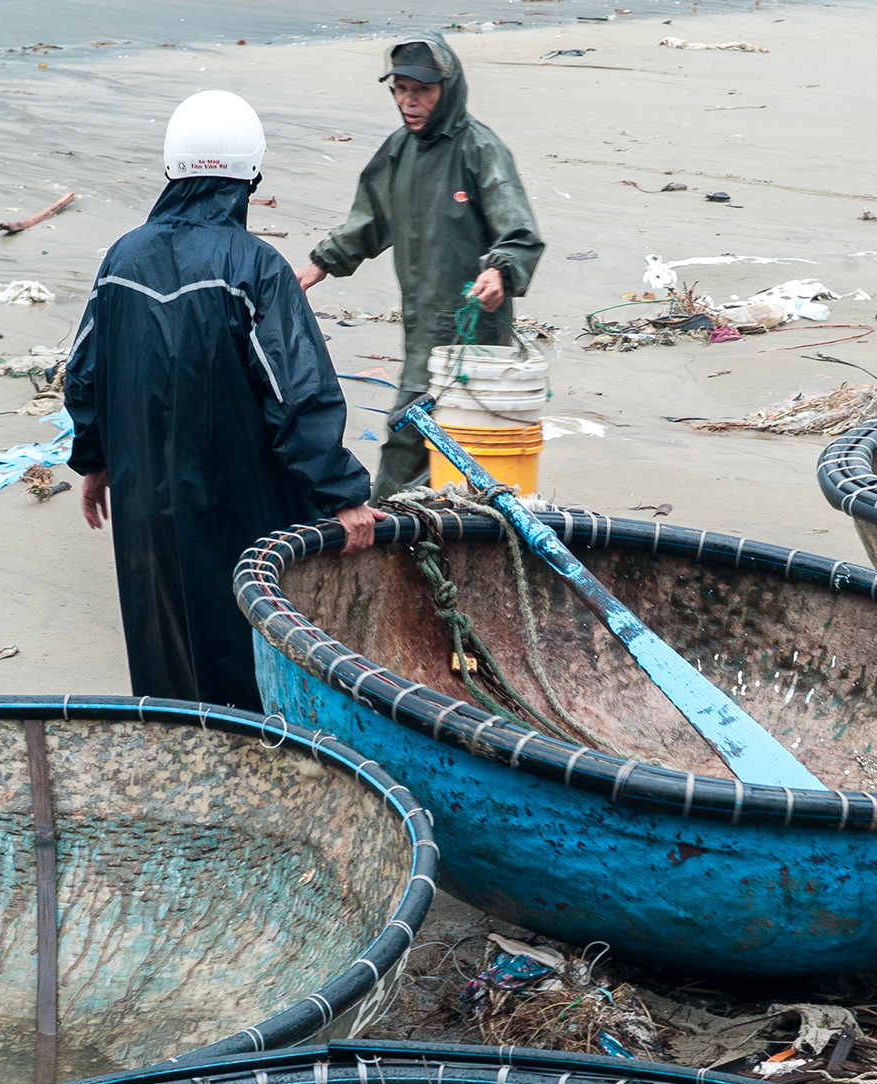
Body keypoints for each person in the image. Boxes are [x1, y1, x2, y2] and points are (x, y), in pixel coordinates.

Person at [67, 90, 383, 712]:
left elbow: (84, 374)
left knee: (164, 643)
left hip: (145, 504)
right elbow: (299, 395)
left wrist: (95, 462)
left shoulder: (121, 260)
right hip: (241, 507)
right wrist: (343, 496)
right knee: (248, 645)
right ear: (250, 177)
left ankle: (178, 749)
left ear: (171, 167)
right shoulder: (255, 268)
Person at [297, 31, 544, 499]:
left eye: (423, 90)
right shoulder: (398, 150)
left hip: (474, 336)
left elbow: (518, 231)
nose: (409, 101)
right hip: (422, 331)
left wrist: (500, 271)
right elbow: (370, 219)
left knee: (423, 439)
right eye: (401, 89)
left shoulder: (479, 149)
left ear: (447, 89)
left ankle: (388, 523)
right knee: (426, 442)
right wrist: (317, 266)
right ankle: (419, 527)